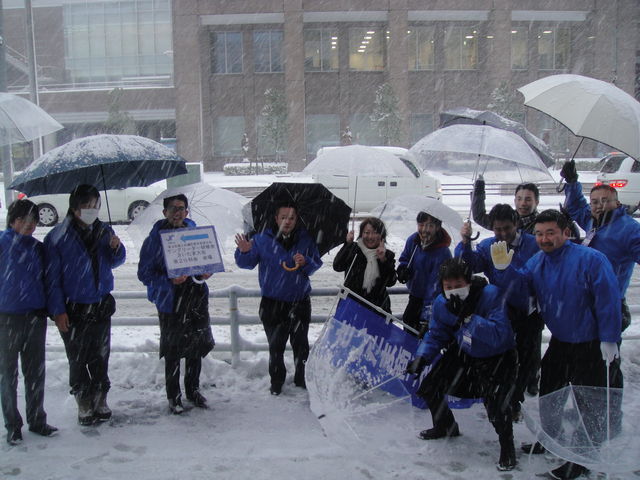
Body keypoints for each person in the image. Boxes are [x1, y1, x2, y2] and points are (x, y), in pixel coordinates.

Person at [500, 209, 623, 480]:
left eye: (550, 233)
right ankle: (549, 439)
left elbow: (608, 299)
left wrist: (609, 337)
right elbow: (521, 290)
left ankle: (580, 458)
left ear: (566, 233)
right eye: (539, 234)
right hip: (560, 342)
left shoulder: (591, 259)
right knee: (549, 395)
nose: (544, 239)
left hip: (591, 344)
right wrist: (505, 270)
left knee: (589, 404)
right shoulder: (537, 262)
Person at [406, 258, 518, 471]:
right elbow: (437, 333)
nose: (453, 290)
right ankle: (445, 426)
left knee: (496, 405)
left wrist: (468, 317)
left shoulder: (491, 295)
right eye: (448, 287)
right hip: (465, 352)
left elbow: (500, 335)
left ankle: (507, 447)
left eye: (458, 285)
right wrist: (422, 358)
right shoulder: (441, 303)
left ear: (469, 281)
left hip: (498, 356)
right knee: (430, 387)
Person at [44, 185, 126, 426]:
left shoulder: (104, 230)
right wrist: (58, 311)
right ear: (74, 207)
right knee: (77, 357)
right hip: (73, 308)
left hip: (100, 304)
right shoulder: (57, 236)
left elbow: (115, 261)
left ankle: (101, 397)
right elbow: (51, 279)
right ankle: (83, 399)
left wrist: (116, 248)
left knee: (100, 355)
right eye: (86, 206)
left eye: (95, 205)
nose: (92, 210)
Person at [455, 204, 542, 419]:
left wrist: (507, 270)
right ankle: (502, 398)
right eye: (497, 229)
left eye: (507, 228)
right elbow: (469, 265)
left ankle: (516, 400)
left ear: (516, 224)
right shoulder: (488, 246)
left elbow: (530, 279)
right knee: (504, 359)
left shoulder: (533, 245)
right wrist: (465, 244)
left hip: (528, 311)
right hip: (501, 311)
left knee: (525, 358)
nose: (502, 234)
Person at [137, 194, 215, 414]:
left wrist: (206, 272)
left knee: (195, 347)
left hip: (196, 297)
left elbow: (206, 262)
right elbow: (144, 274)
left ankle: (193, 389)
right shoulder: (154, 240)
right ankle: (174, 396)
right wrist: (168, 280)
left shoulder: (196, 234)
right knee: (172, 350)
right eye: (172, 209)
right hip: (171, 300)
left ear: (186, 211)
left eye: (181, 208)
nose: (177, 212)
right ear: (165, 212)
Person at [234, 201, 322, 395]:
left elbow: (315, 264)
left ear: (296, 219)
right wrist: (244, 251)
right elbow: (246, 263)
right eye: (283, 217)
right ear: (276, 218)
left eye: (291, 218)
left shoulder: (306, 239)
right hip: (272, 302)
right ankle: (277, 381)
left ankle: (302, 379)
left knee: (301, 345)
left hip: (299, 301)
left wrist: (306, 262)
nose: (287, 221)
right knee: (276, 347)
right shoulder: (261, 239)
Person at [0, 200, 57, 445]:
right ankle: (12, 425)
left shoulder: (38, 248)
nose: (29, 224)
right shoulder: (2, 244)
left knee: (35, 372)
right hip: (6, 318)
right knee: (7, 374)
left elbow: (49, 280)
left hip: (35, 316)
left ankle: (37, 419)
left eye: (33, 220)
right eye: (23, 219)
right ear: (12, 221)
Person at [560, 159, 640, 332]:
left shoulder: (629, 228)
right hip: (586, 299)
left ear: (617, 203)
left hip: (610, 302)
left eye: (605, 200)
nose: (599, 206)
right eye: (594, 202)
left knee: (605, 346)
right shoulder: (593, 221)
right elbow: (577, 206)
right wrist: (572, 182)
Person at [396, 212, 451, 334]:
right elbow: (405, 257)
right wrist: (403, 268)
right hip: (414, 295)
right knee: (408, 322)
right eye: (421, 225)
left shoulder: (442, 253)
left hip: (432, 302)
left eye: (430, 226)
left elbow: (435, 287)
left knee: (420, 331)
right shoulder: (413, 241)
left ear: (437, 228)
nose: (425, 230)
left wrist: (426, 317)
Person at [333, 217, 397, 313]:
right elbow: (337, 266)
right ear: (361, 234)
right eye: (367, 232)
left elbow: (391, 282)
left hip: (376, 309)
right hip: (350, 306)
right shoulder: (354, 249)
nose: (370, 237)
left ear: (382, 235)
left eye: (375, 233)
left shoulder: (387, 255)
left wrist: (383, 259)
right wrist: (347, 244)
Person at [472, 178, 540, 233]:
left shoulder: (540, 224)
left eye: (528, 199)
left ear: (536, 202)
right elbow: (479, 217)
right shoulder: (507, 217)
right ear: (515, 200)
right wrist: (478, 191)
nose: (523, 203)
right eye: (519, 199)